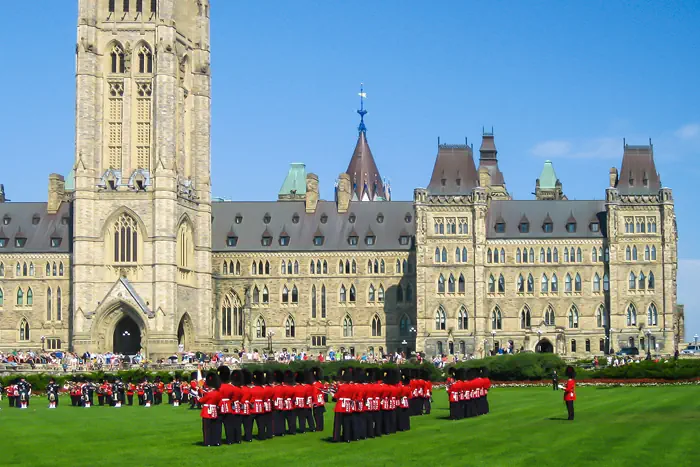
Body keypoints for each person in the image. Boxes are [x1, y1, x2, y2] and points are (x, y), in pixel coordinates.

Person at [199, 372, 223, 447]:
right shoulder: (218, 393)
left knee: (207, 428)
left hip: (207, 411)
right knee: (214, 427)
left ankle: (208, 442)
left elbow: (202, 401)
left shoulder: (209, 393)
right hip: (214, 411)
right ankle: (216, 441)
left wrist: (198, 398)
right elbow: (219, 402)